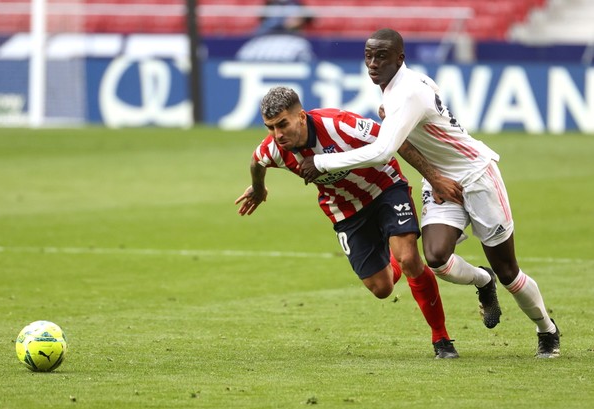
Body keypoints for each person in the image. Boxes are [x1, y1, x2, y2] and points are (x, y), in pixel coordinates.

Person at [299, 28, 560, 359]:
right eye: (368, 55)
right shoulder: (405, 88)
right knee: (436, 258)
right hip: (440, 183)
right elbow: (407, 140)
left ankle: (546, 330)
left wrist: (321, 161)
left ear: (400, 58)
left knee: (510, 271)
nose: (373, 63)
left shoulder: (406, 94)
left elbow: (382, 152)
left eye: (381, 56)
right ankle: (483, 280)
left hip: (477, 176)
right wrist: (435, 177)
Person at [235, 86, 463, 359]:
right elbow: (256, 161)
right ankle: (390, 253)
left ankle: (442, 340)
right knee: (382, 288)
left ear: (301, 117)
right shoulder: (274, 148)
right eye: (270, 127)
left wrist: (435, 178)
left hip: (385, 187)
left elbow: (395, 140)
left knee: (409, 259)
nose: (277, 134)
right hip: (345, 209)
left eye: (283, 124)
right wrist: (258, 189)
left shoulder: (341, 125)